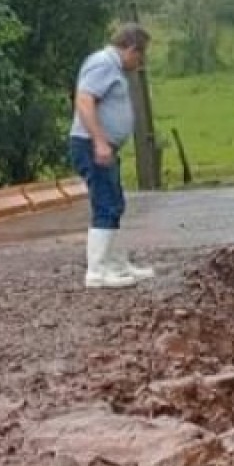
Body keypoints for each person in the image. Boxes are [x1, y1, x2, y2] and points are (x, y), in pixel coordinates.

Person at [69, 23, 155, 288]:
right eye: (140, 56)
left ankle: (116, 263)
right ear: (130, 48)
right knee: (105, 203)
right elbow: (84, 100)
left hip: (101, 145)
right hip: (92, 144)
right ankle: (96, 271)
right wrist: (99, 141)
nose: (140, 62)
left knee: (115, 202)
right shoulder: (103, 64)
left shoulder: (111, 67)